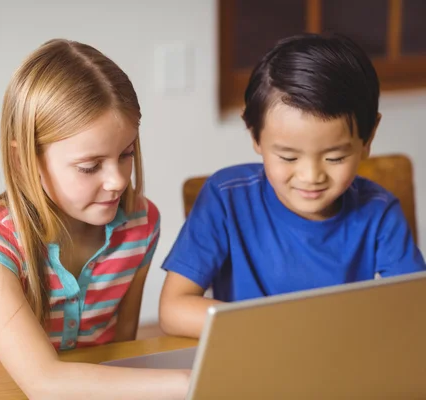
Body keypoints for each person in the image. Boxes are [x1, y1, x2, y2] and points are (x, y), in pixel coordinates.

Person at [0, 39, 189, 400]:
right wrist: (191, 383)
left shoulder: (141, 223)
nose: (118, 180)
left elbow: (122, 352)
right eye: (90, 166)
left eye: (126, 154)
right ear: (24, 159)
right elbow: (45, 384)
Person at [159, 33, 426, 339]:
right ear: (255, 137)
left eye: (335, 157)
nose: (311, 176)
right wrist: (284, 330)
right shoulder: (225, 198)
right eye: (288, 156)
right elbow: (173, 310)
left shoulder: (379, 212)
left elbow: (412, 312)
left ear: (368, 139)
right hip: (251, 362)